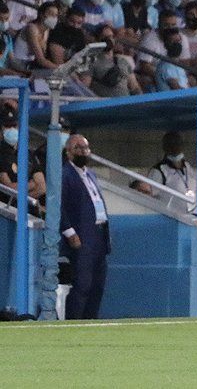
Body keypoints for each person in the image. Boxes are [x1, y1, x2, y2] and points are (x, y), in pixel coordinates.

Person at [60, 135, 110, 320]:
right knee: (82, 284)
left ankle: (91, 321)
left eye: (86, 148)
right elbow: (59, 205)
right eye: (78, 148)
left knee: (98, 285)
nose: (83, 151)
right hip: (81, 236)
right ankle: (75, 321)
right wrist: (69, 231)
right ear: (69, 152)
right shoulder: (65, 174)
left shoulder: (91, 174)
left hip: (98, 235)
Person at [148, 131, 197, 213]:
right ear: (165, 148)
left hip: (191, 214)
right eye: (171, 144)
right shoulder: (159, 170)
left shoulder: (187, 167)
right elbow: (151, 195)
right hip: (170, 217)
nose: (175, 147)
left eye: (178, 144)